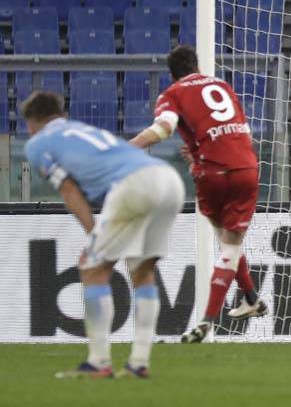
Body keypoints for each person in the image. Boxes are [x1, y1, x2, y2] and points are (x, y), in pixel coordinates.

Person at [23, 91, 185, 379]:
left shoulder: (37, 144)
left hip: (132, 185)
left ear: (31, 122)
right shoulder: (82, 129)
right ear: (61, 115)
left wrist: (93, 232)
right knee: (143, 271)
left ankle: (99, 362)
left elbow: (69, 189)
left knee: (92, 268)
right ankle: (139, 363)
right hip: (168, 179)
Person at [129, 45, 267, 344]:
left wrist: (128, 148)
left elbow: (164, 128)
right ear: (197, 65)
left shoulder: (172, 94)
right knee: (231, 244)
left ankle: (221, 313)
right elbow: (240, 132)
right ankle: (242, 303)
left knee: (226, 241)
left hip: (212, 174)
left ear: (172, 74)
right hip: (245, 168)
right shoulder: (223, 86)